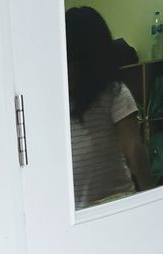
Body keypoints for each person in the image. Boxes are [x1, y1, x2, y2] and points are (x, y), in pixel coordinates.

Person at [66, 6, 153, 210]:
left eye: (77, 61)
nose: (72, 70)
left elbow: (133, 147)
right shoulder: (56, 101)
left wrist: (150, 195)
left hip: (117, 200)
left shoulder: (114, 92)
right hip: (76, 211)